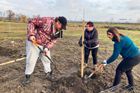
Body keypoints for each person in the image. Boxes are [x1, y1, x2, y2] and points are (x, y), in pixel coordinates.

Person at [22, 16, 67, 85]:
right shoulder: (46, 21)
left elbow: (53, 41)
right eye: (61, 26)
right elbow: (31, 22)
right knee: (31, 60)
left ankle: (48, 74)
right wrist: (31, 34)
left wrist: (46, 48)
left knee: (47, 59)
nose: (61, 29)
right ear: (58, 22)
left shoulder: (59, 32)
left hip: (44, 45)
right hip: (34, 42)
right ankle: (27, 77)